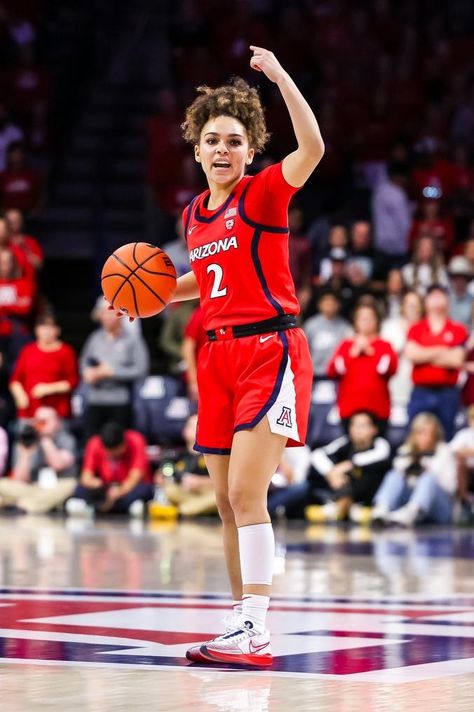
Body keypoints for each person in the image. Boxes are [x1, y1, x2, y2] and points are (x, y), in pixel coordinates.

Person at [122, 46, 324, 667]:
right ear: (196, 147)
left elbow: (313, 149)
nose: (221, 150)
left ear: (250, 148)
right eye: (212, 139)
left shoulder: (263, 194)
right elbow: (204, 280)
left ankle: (258, 627)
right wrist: (152, 295)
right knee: (223, 502)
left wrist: (283, 77)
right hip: (217, 358)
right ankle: (242, 617)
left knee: (245, 494)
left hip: (270, 348)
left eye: (234, 141)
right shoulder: (192, 215)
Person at [405, 284, 467, 439]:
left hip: (448, 392)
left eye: (441, 295)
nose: (437, 299)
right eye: (433, 295)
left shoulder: (457, 328)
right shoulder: (416, 328)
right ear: (425, 301)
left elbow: (457, 359)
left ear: (448, 300)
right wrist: (443, 350)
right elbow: (412, 355)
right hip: (421, 390)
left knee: (446, 436)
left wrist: (425, 354)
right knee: (416, 436)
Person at [372, 413, 457, 526]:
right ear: (414, 434)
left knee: (428, 478)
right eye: (421, 432)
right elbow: (398, 483)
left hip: (439, 507)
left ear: (436, 434)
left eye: (429, 432)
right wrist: (409, 471)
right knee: (394, 475)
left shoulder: (444, 451)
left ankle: (411, 513)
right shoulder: (405, 451)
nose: (426, 437)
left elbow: (451, 488)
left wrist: (426, 471)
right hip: (407, 502)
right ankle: (381, 511)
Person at [80, 299, 149, 437]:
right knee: (92, 441)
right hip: (95, 399)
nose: (108, 317)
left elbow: (141, 370)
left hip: (120, 400)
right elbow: (84, 361)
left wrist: (112, 372)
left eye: (112, 313)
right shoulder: (95, 338)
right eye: (104, 313)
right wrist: (88, 372)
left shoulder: (132, 340)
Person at [327, 301, 398, 433]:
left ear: (377, 321)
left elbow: (391, 368)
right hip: (349, 409)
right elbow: (332, 371)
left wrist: (370, 352)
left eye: (370, 318)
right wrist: (352, 353)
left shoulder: (384, 345)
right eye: (362, 318)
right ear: (355, 321)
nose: (366, 321)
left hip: (378, 409)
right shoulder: (345, 345)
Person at [0, 406, 77, 514]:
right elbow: (19, 479)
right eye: (38, 421)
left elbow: (58, 465)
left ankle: (22, 504)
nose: (40, 425)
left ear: (57, 422)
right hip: (33, 487)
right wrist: (26, 453)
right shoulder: (27, 439)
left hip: (56, 487)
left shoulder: (66, 440)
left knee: (71, 485)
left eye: (44, 422)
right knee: (2, 484)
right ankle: (35, 504)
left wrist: (45, 439)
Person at [66, 421, 153, 517]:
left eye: (115, 452)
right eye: (109, 452)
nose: (111, 456)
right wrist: (94, 483)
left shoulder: (136, 440)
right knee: (79, 489)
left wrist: (120, 491)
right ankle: (116, 507)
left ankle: (94, 507)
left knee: (145, 490)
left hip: (127, 488)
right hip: (104, 488)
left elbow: (135, 477)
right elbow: (86, 477)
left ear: (124, 443)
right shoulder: (94, 443)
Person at [10, 314, 78, 421]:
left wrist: (48, 388)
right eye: (42, 327)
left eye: (49, 327)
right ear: (36, 330)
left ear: (57, 330)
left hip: (56, 413)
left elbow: (72, 382)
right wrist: (20, 395)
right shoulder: (27, 351)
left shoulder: (66, 352)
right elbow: (15, 380)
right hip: (29, 412)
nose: (46, 331)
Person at [158, 414, 217, 517]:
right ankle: (200, 508)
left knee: (218, 498)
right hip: (186, 492)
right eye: (191, 426)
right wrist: (165, 475)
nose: (195, 429)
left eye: (199, 425)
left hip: (208, 492)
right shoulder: (178, 456)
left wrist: (200, 482)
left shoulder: (213, 456)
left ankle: (183, 510)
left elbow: (224, 481)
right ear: (184, 432)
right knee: (169, 489)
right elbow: (167, 468)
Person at [381, 290, 424, 411]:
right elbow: (383, 356)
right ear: (403, 306)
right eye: (409, 305)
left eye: (416, 305)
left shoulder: (427, 328)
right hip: (393, 388)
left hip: (418, 388)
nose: (412, 309)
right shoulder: (389, 327)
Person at [371, 160, 411, 269]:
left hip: (380, 246)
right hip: (396, 249)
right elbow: (405, 224)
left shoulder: (379, 190)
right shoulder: (398, 194)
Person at [303, 290, 351, 378]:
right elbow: (305, 352)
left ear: (338, 305)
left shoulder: (345, 326)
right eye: (326, 301)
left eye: (332, 302)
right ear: (319, 304)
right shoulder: (310, 325)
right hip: (315, 375)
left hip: (338, 376)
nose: (329, 305)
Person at [450, 403, 474, 521]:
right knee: (461, 467)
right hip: (468, 471)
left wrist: (467, 451)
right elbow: (453, 450)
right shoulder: (464, 434)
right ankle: (464, 503)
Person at [446, 255, 474, 328]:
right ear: (451, 279)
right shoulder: (446, 299)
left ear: (467, 279)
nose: (459, 281)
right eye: (455, 277)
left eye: (462, 277)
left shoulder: (472, 301)